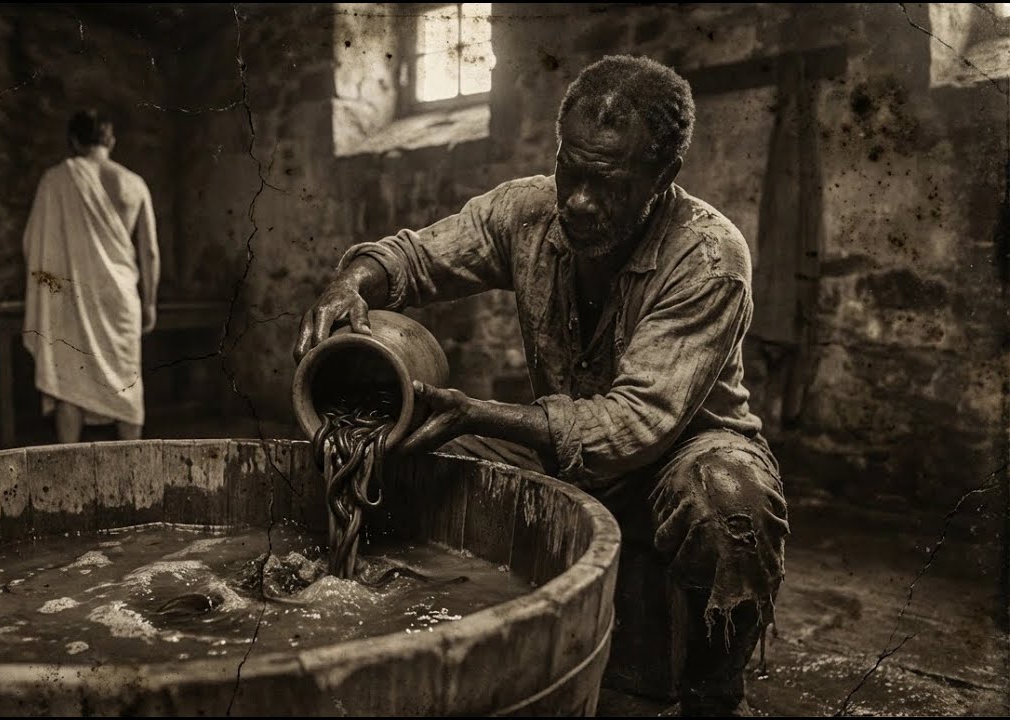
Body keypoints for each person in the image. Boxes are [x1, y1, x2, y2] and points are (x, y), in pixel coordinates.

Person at [293, 55, 789, 717]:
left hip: (683, 450)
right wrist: (350, 281)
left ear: (663, 176)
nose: (578, 201)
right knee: (410, 455)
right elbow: (415, 257)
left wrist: (480, 414)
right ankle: (391, 625)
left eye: (606, 183)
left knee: (730, 503)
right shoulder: (526, 213)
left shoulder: (708, 254)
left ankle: (713, 692)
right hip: (562, 443)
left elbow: (635, 424)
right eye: (569, 170)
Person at [22, 109, 160, 444]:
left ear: (73, 141)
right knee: (127, 387)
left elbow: (33, 244)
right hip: (121, 300)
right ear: (111, 140)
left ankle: (70, 473)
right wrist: (151, 304)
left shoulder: (55, 179)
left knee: (70, 386)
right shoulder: (134, 184)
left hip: (73, 299)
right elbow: (151, 253)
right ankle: (135, 473)